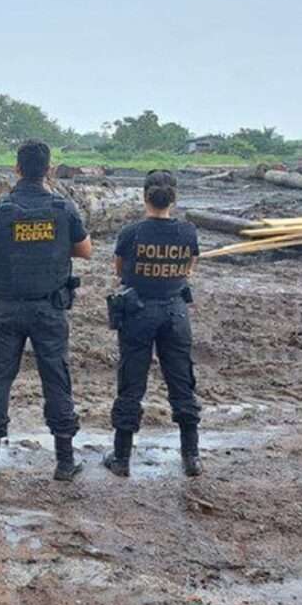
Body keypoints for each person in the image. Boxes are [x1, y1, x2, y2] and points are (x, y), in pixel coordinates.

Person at [0, 140, 93, 482]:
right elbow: (85, 251)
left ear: (17, 169)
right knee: (57, 379)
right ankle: (65, 461)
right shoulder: (63, 207)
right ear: (49, 170)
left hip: (7, 308)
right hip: (49, 309)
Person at [106, 170, 203, 477]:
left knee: (131, 384)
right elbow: (189, 269)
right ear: (174, 198)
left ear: (144, 196)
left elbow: (120, 270)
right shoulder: (188, 232)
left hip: (137, 312)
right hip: (175, 312)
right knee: (182, 383)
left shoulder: (131, 232)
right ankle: (191, 457)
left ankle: (121, 458)